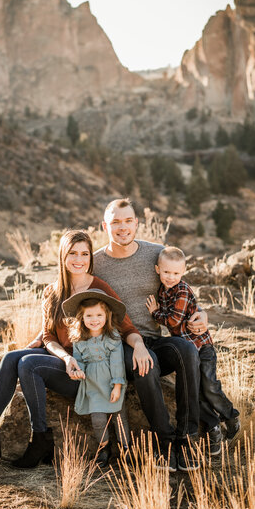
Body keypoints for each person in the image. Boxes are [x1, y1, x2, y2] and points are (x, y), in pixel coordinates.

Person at [0, 229, 144, 471]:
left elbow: (126, 327)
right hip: (65, 359)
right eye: (72, 253)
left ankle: (40, 439)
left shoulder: (100, 289)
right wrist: (66, 357)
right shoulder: (52, 292)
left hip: (87, 371)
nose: (79, 259)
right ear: (62, 255)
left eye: (84, 253)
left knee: (28, 364)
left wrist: (141, 346)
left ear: (91, 257)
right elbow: (48, 336)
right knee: (11, 358)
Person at [93, 198, 210, 472]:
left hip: (154, 339)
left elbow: (182, 287)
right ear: (104, 225)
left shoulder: (155, 254)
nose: (122, 227)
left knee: (187, 351)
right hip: (119, 344)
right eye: (115, 222)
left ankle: (186, 438)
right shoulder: (95, 263)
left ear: (136, 223)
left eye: (127, 221)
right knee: (146, 366)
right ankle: (165, 443)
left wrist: (201, 313)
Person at [145, 246, 240, 454]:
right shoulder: (163, 290)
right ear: (157, 269)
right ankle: (213, 426)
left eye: (176, 273)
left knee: (209, 385)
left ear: (184, 272)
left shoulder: (182, 291)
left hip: (201, 346)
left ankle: (231, 415)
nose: (171, 277)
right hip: (187, 350)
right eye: (167, 272)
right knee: (195, 389)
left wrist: (155, 313)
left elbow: (172, 320)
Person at [63, 289, 130, 467]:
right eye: (89, 315)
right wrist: (78, 372)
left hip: (112, 382)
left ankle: (126, 449)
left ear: (107, 316)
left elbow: (117, 362)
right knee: (98, 419)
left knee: (119, 416)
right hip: (92, 384)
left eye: (99, 314)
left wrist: (117, 385)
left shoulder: (112, 336)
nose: (95, 319)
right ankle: (104, 448)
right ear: (82, 318)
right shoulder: (79, 340)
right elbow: (79, 362)